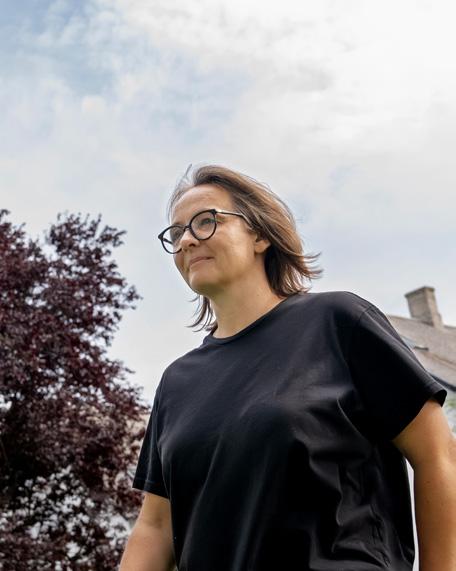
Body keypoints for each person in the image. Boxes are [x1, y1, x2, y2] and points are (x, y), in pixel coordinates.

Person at [119, 164, 456, 571]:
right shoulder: (177, 382)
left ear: (260, 235)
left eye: (206, 221)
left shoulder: (338, 322)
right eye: (176, 233)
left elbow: (438, 456)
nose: (187, 240)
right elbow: (155, 527)